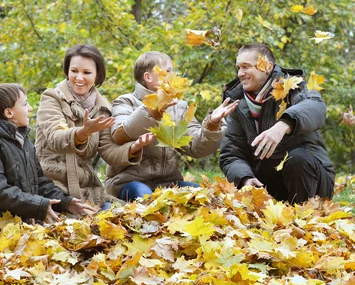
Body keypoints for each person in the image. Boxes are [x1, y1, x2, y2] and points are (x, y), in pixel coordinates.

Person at [105, 50, 238, 200]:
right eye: (168, 71)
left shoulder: (178, 107)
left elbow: (195, 146)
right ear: (148, 77)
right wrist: (151, 111)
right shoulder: (125, 102)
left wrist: (212, 124)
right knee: (145, 197)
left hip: (168, 182)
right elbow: (120, 134)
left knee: (204, 196)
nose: (173, 76)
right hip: (129, 182)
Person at [0, 83, 93, 231]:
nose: (30, 108)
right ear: (9, 113)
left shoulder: (22, 140)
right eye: (25, 104)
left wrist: (65, 201)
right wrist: (39, 205)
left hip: (22, 226)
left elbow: (39, 181)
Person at [219, 42, 335, 203]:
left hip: (312, 182)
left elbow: (316, 107)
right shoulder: (237, 103)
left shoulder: (292, 86)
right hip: (269, 185)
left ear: (267, 66)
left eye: (246, 66)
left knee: (297, 158)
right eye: (238, 68)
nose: (240, 73)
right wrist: (245, 178)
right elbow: (231, 155)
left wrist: (284, 124)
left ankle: (304, 219)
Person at [35, 44, 148, 208]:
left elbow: (108, 150)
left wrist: (134, 147)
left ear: (97, 75)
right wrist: (83, 132)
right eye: (74, 71)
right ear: (67, 71)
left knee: (124, 216)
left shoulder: (103, 109)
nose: (79, 78)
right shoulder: (51, 98)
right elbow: (55, 138)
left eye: (86, 73)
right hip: (50, 185)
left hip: (86, 188)